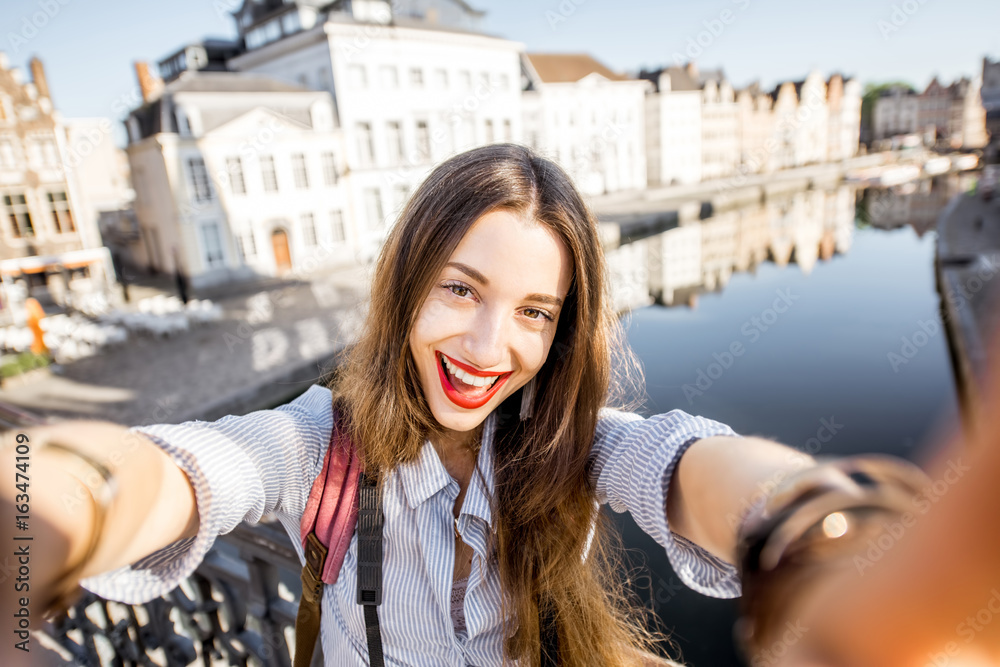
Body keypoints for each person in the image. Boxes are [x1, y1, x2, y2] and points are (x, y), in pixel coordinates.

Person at [1, 144, 997, 667]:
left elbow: (685, 463)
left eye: (533, 312)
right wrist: (35, 503)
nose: (487, 352)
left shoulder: (568, 447)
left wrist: (835, 539)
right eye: (460, 289)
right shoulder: (318, 446)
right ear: (403, 285)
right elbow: (170, 473)